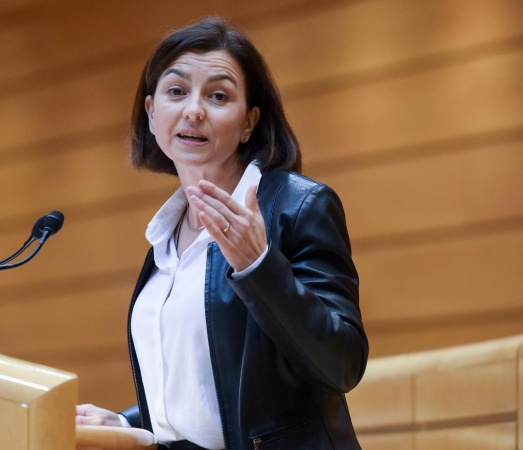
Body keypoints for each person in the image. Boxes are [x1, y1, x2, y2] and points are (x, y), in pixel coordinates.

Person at [76, 17, 367, 450]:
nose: (193, 109)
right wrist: (126, 421)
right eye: (177, 92)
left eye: (217, 95)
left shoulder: (297, 207)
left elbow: (341, 363)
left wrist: (259, 265)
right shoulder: (165, 236)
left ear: (249, 122)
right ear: (152, 113)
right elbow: (210, 390)